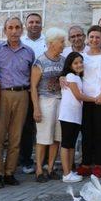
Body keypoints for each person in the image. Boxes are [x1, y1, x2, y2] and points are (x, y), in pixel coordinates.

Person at [0, 17, 35, 188]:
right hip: (2, 94)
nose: (14, 31)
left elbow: (32, 75)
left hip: (22, 94)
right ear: (5, 30)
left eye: (17, 27)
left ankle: (9, 172)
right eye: (10, 27)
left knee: (16, 136)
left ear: (22, 30)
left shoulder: (28, 52)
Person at [31, 28, 67, 182]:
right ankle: (39, 169)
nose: (64, 45)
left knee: (57, 137)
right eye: (62, 42)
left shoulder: (63, 60)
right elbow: (33, 86)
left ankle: (50, 168)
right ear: (52, 43)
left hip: (60, 100)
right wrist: (36, 108)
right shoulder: (40, 61)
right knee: (43, 137)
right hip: (45, 101)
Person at [78, 25, 101, 178]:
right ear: (87, 38)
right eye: (91, 37)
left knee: (100, 132)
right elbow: (72, 73)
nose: (94, 40)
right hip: (85, 99)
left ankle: (98, 164)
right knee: (86, 132)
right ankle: (85, 163)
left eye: (97, 37)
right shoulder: (81, 57)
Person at [58, 52, 91, 183]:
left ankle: (70, 171)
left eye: (81, 62)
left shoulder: (77, 78)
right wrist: (96, 99)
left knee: (71, 144)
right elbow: (78, 96)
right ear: (70, 65)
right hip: (68, 115)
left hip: (75, 115)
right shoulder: (70, 76)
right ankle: (66, 173)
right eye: (76, 63)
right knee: (66, 144)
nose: (79, 65)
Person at [20, 13, 46, 175]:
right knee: (27, 128)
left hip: (45, 91)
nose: (34, 25)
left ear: (41, 25)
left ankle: (42, 161)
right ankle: (26, 160)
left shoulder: (47, 41)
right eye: (31, 22)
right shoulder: (21, 42)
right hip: (27, 90)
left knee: (43, 127)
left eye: (37, 22)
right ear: (26, 25)